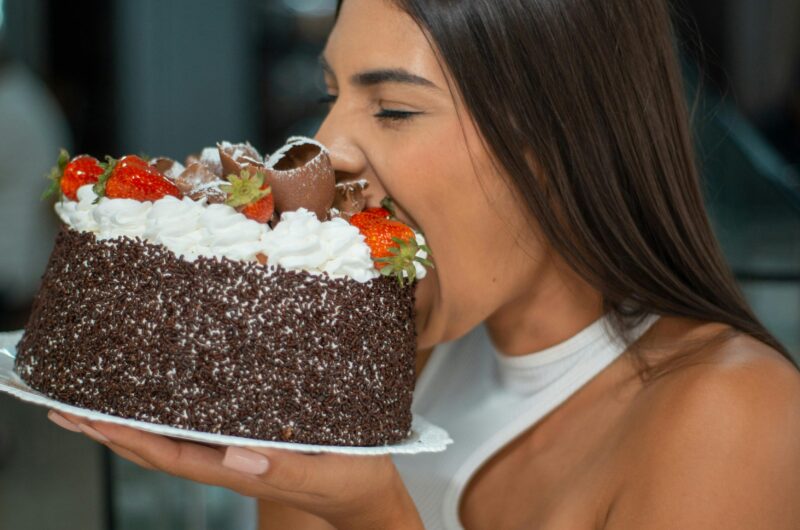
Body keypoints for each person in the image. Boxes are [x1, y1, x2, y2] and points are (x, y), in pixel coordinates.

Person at [48, 0, 800, 528]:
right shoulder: (394, 354)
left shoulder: (736, 416)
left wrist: (372, 515)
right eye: (331, 95)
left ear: (565, 143)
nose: (323, 150)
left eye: (395, 109)